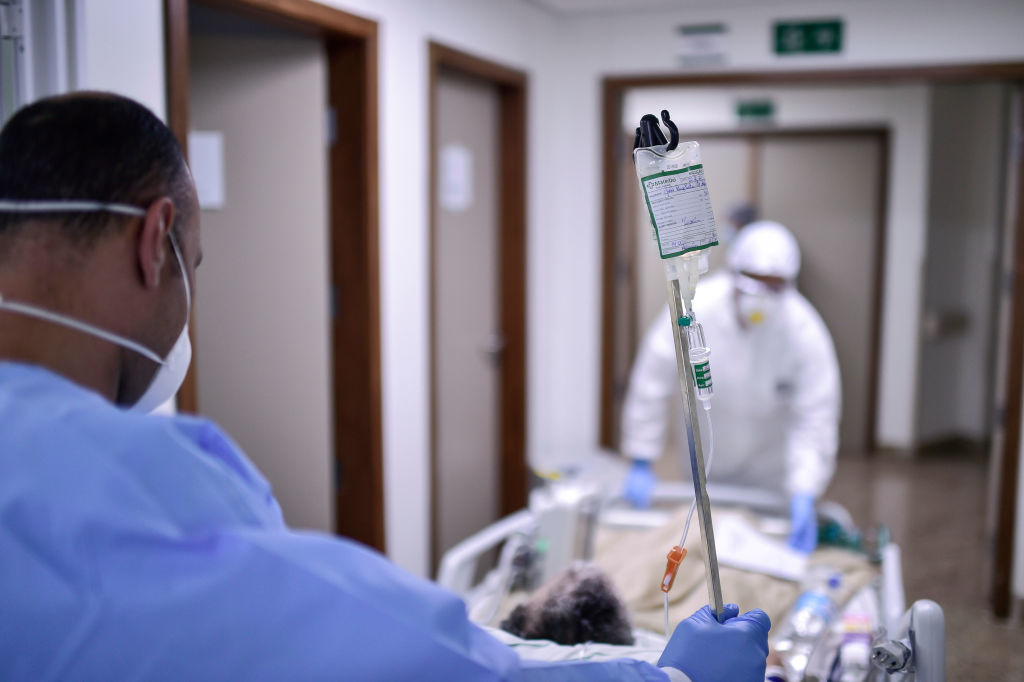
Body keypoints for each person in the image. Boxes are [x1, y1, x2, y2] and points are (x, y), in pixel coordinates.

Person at [0, 93, 770, 681]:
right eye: (191, 265)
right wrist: (667, 678)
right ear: (153, 242)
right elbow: (413, 659)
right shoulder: (149, 497)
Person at [620, 221, 841, 554]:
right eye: (753, 280)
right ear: (733, 272)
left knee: (762, 555)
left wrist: (805, 490)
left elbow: (816, 416)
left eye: (774, 285)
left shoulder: (805, 332)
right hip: (708, 461)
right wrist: (642, 456)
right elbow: (652, 379)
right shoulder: (694, 308)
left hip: (771, 474)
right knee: (705, 550)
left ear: (790, 284)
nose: (761, 295)